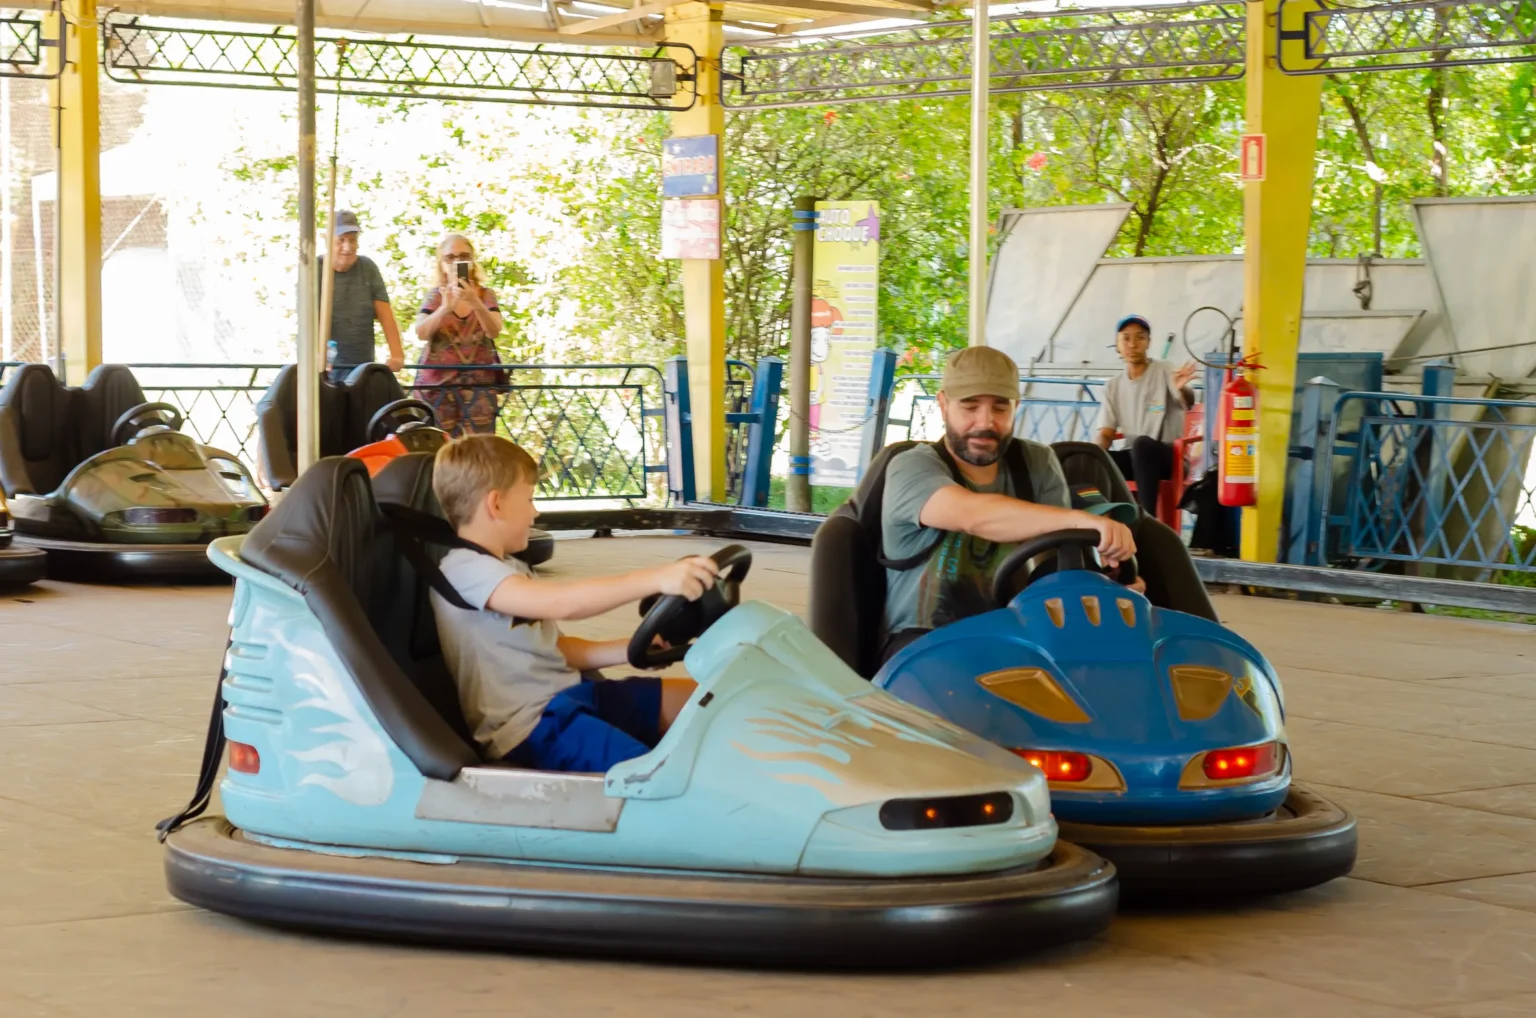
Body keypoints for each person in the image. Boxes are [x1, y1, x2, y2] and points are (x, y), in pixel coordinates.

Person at [429, 433, 719, 773]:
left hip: (573, 694)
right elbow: (563, 603)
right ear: (495, 504)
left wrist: (630, 650)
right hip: (534, 727)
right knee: (661, 777)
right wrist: (657, 578)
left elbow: (555, 649)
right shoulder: (464, 570)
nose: (534, 513)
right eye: (529, 499)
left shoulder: (508, 567)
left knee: (709, 702)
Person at [880, 346, 1139, 663]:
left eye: (1000, 409)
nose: (985, 423)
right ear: (943, 404)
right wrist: (1084, 521)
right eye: (970, 407)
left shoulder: (1037, 463)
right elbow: (973, 516)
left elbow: (1052, 564)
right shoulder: (910, 467)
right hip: (923, 646)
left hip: (1015, 639)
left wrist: (1103, 592)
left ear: (1017, 406)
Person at [1093, 314, 1199, 515]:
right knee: (1090, 461)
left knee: (1142, 445)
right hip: (1135, 458)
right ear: (1117, 345)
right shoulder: (1112, 387)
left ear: (1148, 342)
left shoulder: (1165, 370)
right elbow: (1106, 434)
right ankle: (1103, 522)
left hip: (1169, 458)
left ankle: (1147, 520)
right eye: (1126, 338)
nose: (1133, 344)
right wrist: (1092, 454)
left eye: (1140, 337)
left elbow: (1188, 401)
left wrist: (1181, 389)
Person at [412, 234, 507, 436]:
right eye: (450, 257)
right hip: (438, 389)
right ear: (442, 264)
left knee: (478, 454)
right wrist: (444, 308)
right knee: (440, 452)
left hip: (479, 389)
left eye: (463, 256)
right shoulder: (436, 296)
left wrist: (475, 303)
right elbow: (421, 332)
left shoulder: (485, 295)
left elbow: (494, 330)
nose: (457, 262)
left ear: (472, 261)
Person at [322, 210, 406, 382]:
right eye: (341, 240)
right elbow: (308, 318)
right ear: (327, 241)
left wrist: (397, 355)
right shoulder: (314, 270)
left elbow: (385, 314)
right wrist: (316, 355)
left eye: (353, 240)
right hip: (325, 368)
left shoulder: (367, 268)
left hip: (360, 368)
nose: (348, 247)